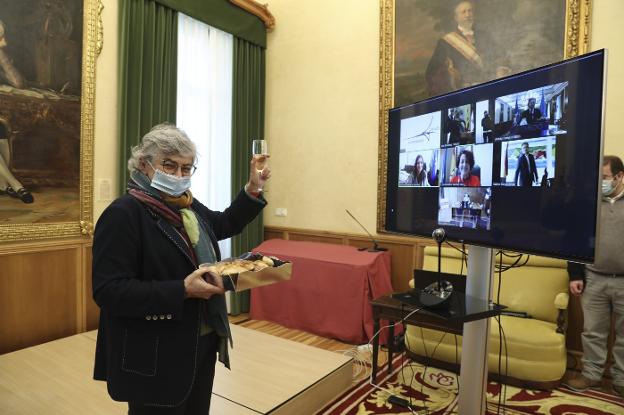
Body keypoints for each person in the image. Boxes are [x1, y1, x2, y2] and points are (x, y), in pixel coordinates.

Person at [91, 124, 270, 414]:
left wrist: (253, 189)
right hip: (154, 351)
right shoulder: (123, 214)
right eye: (169, 166)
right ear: (143, 165)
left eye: (186, 168)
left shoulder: (186, 206)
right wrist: (182, 290)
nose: (178, 176)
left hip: (200, 339)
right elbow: (108, 291)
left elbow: (224, 223)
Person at [564, 155, 624, 399]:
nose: (601, 182)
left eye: (605, 178)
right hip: (594, 278)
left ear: (619, 177)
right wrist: (575, 274)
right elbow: (573, 240)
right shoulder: (586, 203)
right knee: (592, 332)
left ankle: (621, 379)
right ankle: (591, 374)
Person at [425, 1, 510, 96]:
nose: (468, 14)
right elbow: (432, 72)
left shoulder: (485, 36)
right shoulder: (445, 42)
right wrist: (449, 75)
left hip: (488, 90)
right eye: (463, 12)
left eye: (470, 11)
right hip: (462, 94)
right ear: (456, 18)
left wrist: (501, 70)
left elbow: (501, 56)